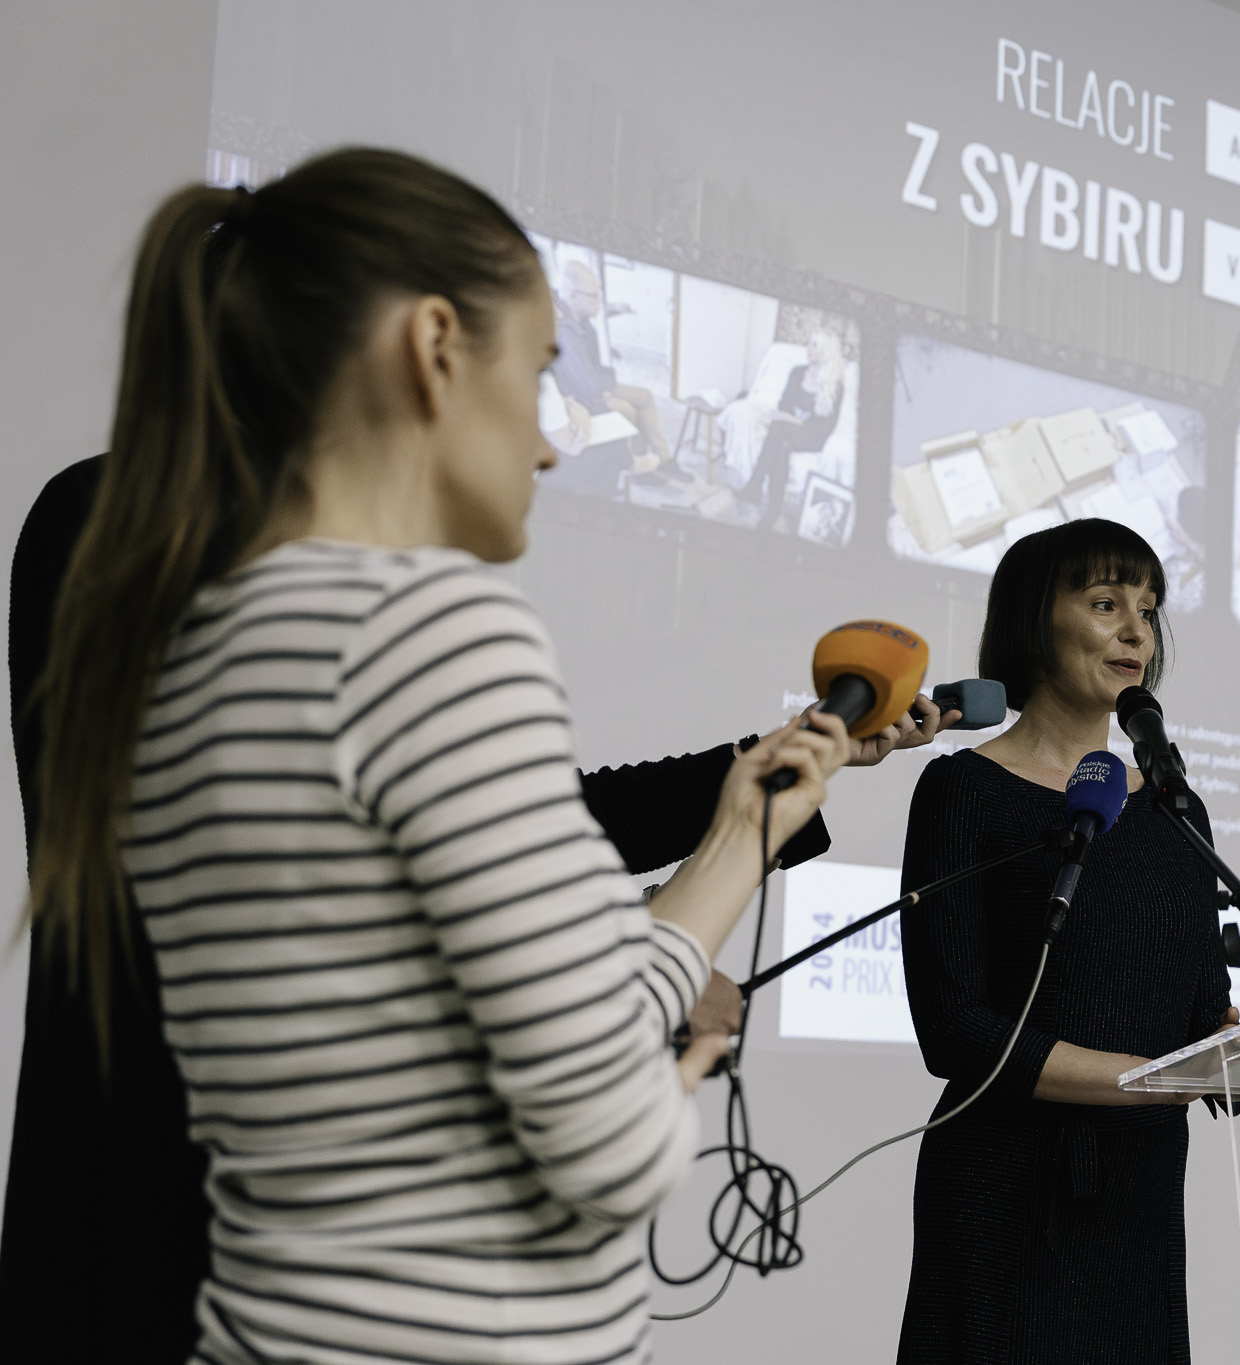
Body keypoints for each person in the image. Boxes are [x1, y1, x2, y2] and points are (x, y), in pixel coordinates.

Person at [20, 148, 857, 1365]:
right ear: (430, 347)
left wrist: (739, 837)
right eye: (539, 371)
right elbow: (611, 1145)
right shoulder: (431, 631)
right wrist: (678, 1060)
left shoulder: (206, 638)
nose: (552, 446)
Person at [1, 450, 953, 1363]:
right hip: (162, 1230)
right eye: (532, 373)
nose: (547, 446)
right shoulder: (165, 530)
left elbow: (512, 831)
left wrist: (785, 769)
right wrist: (640, 949)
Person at [896, 518, 1237, 1365]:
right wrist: (1145, 1081)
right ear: (1034, 620)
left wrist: (1236, 1046)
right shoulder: (963, 790)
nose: (1136, 632)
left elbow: (1202, 1012)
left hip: (1140, 1193)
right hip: (1002, 1188)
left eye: (1148, 610)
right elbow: (954, 1029)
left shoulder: (1176, 809)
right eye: (1105, 603)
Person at [544, 257, 668, 493]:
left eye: (598, 294)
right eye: (593, 296)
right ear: (572, 296)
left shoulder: (580, 319)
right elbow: (588, 387)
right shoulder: (565, 332)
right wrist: (602, 396)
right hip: (586, 395)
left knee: (644, 396)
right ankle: (633, 465)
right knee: (627, 411)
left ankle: (662, 459)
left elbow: (592, 370)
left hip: (595, 387)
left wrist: (606, 384)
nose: (599, 301)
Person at [733, 328, 846, 528]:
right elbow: (784, 404)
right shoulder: (797, 372)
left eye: (814, 345)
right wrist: (787, 417)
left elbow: (825, 427)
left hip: (812, 437)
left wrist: (793, 420)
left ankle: (755, 486)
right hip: (789, 431)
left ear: (825, 351)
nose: (808, 349)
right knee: (783, 445)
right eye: (809, 344)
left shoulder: (835, 386)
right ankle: (774, 509)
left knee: (779, 428)